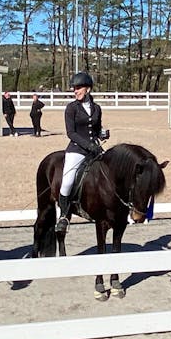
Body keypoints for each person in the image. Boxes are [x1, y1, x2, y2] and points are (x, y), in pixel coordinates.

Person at [56, 72, 105, 233]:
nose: (75, 91)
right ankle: (63, 215)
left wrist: (102, 134)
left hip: (94, 149)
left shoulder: (97, 108)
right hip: (77, 149)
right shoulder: (71, 108)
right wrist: (89, 146)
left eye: (78, 88)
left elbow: (96, 129)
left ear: (88, 89)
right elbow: (71, 133)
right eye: (74, 88)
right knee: (68, 180)